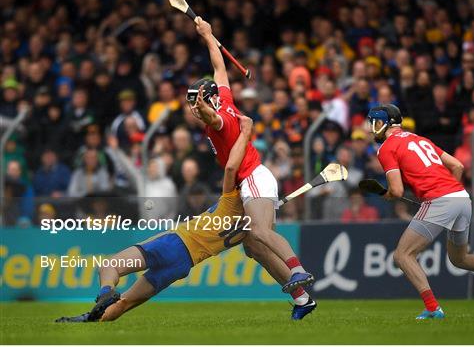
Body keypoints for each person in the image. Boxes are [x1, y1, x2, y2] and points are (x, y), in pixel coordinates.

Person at [55, 116, 316, 323]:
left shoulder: (229, 198)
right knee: (125, 303)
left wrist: (245, 132)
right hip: (183, 264)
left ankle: (103, 295)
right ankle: (95, 317)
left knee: (109, 266)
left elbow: (231, 167)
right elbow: (258, 247)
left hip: (174, 244)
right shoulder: (248, 231)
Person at [367, 103, 474, 319]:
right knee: (460, 258)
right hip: (462, 198)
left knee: (403, 255)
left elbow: (397, 190)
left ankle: (432, 308)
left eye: (375, 122)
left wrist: (384, 194)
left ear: (386, 123)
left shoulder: (386, 148)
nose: (373, 127)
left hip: (441, 200)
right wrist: (449, 194)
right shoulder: (420, 139)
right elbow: (457, 166)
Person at [186, 17, 314, 295]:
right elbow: (219, 67)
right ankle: (302, 298)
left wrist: (204, 109)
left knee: (259, 232)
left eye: (197, 103)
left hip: (253, 177)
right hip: (252, 181)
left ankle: (298, 269)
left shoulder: (219, 119)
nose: (194, 109)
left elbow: (210, 114)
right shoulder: (227, 101)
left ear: (209, 101)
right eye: (191, 104)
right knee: (253, 247)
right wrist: (208, 35)